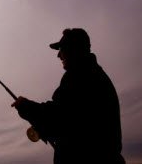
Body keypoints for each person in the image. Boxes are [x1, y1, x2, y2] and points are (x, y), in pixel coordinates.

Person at [12, 28, 125, 164]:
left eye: (62, 49)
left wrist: (25, 106)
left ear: (74, 49)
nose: (58, 55)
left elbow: (59, 117)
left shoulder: (81, 75)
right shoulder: (94, 73)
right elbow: (75, 123)